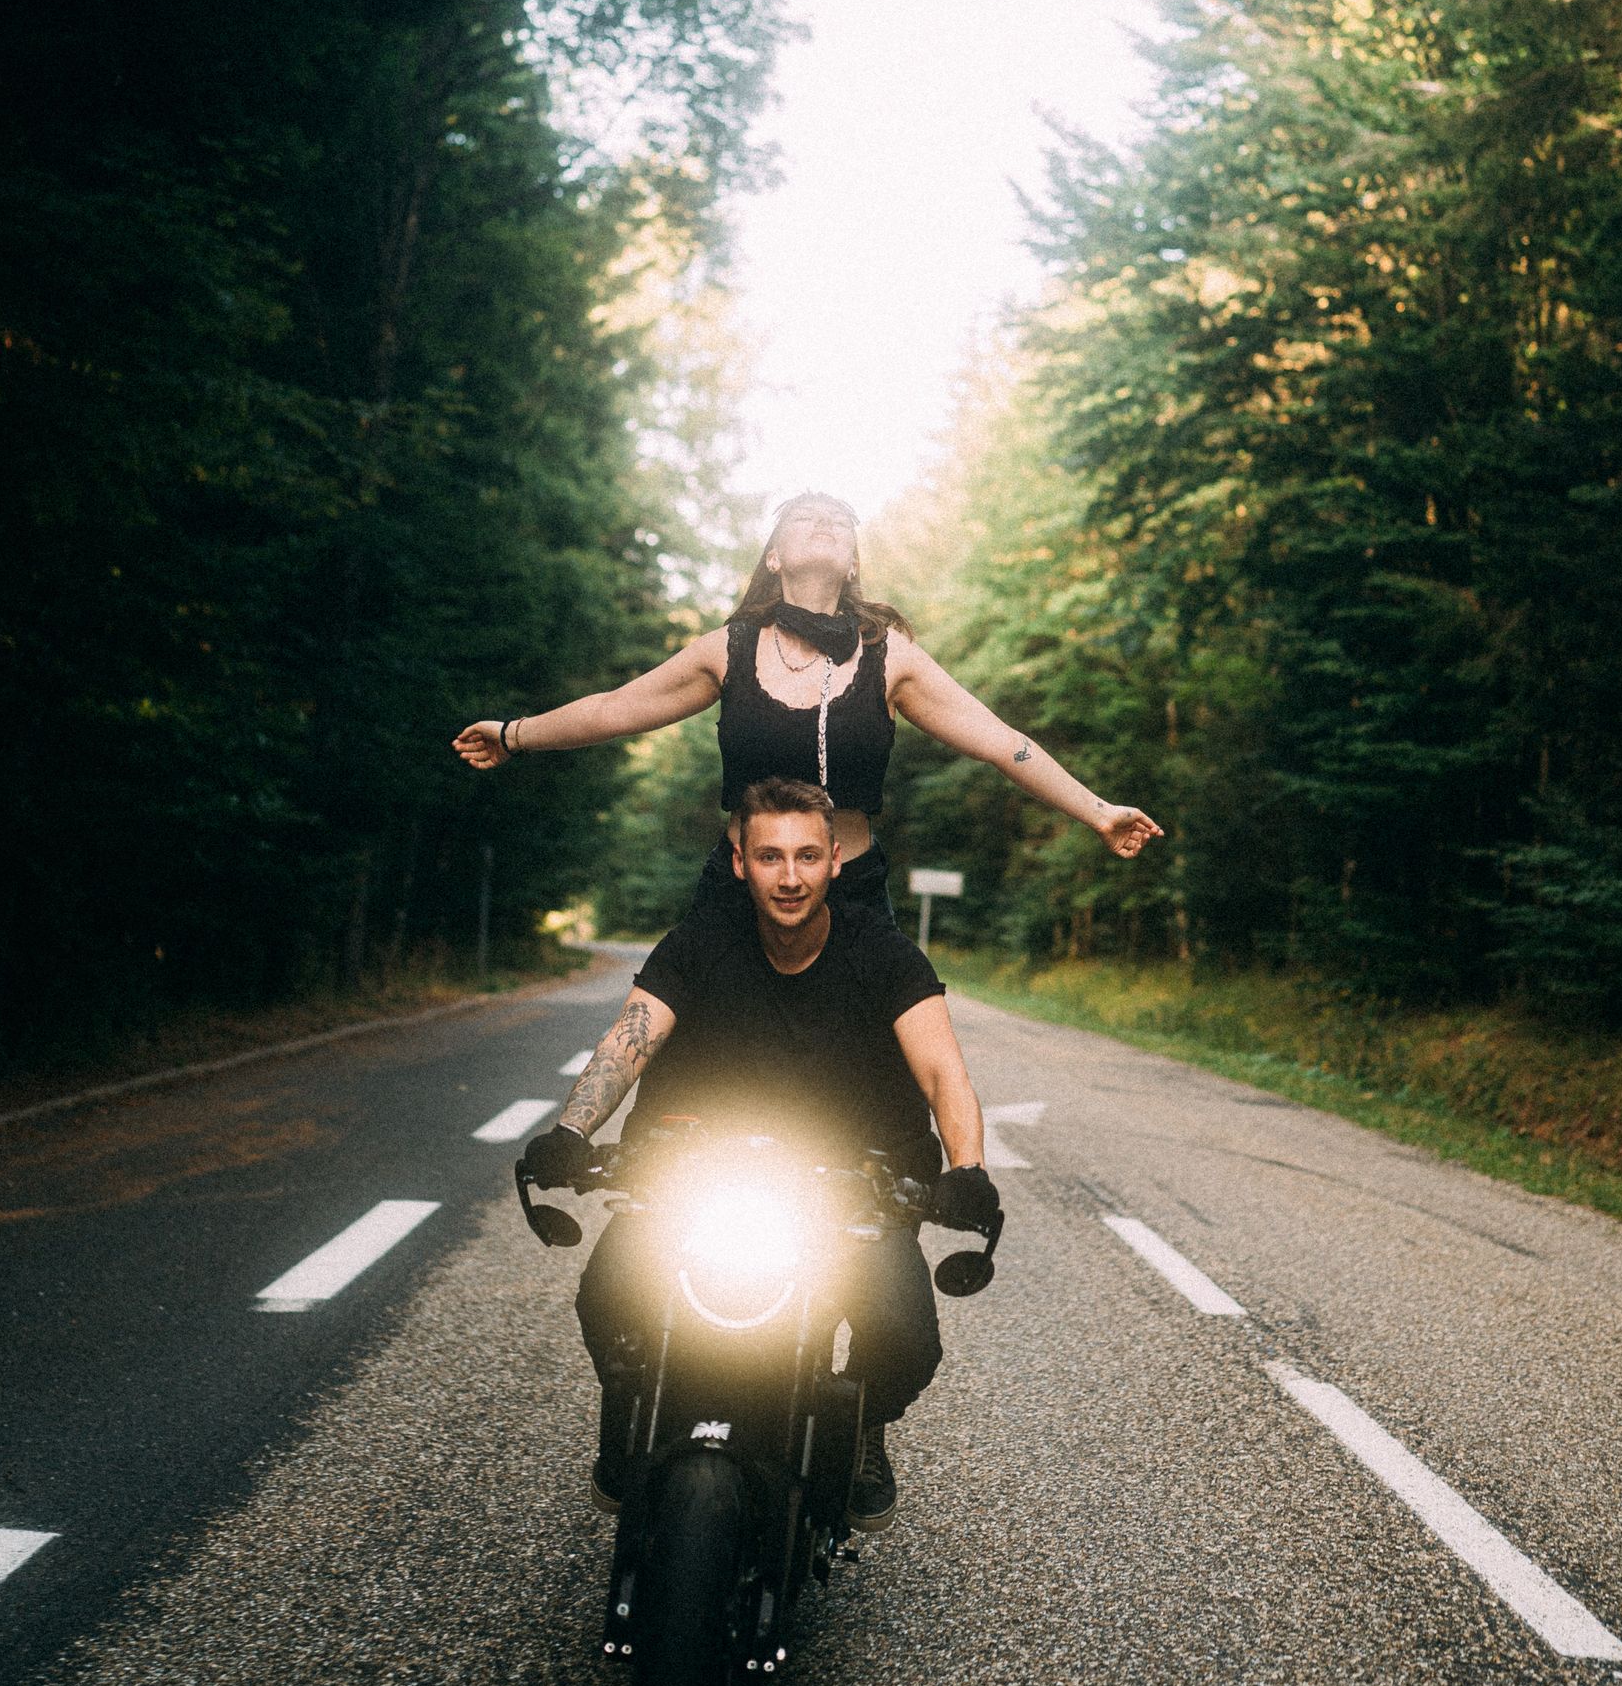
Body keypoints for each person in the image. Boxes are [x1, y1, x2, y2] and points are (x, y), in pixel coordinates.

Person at [524, 777, 1002, 1532]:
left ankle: (860, 1426)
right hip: (696, 1174)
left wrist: (967, 1170)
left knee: (904, 1338)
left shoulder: (883, 954)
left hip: (854, 1187)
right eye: (770, 856)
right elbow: (629, 1041)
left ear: (835, 861)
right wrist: (572, 1132)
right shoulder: (699, 944)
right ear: (740, 861)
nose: (790, 876)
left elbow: (943, 1070)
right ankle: (629, 1405)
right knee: (608, 1297)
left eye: (807, 856)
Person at [454, 489, 1162, 921]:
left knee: (901, 1071)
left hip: (852, 894)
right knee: (670, 1046)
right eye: (803, 517)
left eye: (839, 521)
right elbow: (614, 708)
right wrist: (514, 734)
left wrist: (1098, 810)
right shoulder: (726, 650)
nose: (824, 522)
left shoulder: (891, 657)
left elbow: (1002, 740)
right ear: (773, 558)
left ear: (852, 563)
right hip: (740, 890)